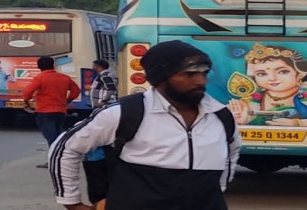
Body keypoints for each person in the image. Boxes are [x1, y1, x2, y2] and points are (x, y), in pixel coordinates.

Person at [48, 40, 241, 210]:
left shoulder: (220, 115)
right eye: (189, 74)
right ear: (161, 79)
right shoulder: (125, 112)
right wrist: (72, 202)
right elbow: (65, 148)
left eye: (204, 73)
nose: (200, 80)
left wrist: (217, 189)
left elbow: (231, 152)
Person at [226, 43, 307, 126]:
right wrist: (242, 121)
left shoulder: (304, 96)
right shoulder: (247, 103)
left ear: (300, 73)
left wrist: (297, 123)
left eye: (283, 72)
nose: (272, 78)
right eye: (261, 74)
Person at [23, 56, 80, 154]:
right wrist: (66, 101)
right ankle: (60, 156)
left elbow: (28, 92)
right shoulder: (64, 78)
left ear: (39, 66)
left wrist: (26, 102)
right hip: (60, 111)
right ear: (53, 65)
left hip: (44, 111)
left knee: (51, 136)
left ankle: (54, 158)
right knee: (58, 135)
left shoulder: (40, 78)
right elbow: (76, 91)